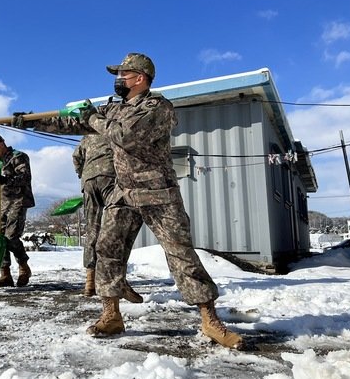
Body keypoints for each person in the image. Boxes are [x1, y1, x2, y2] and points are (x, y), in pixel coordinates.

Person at [13, 53, 243, 349]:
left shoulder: (157, 107)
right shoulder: (115, 108)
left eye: (123, 73)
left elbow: (126, 136)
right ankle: (111, 315)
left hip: (157, 191)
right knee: (107, 249)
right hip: (124, 192)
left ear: (140, 78)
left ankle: (210, 321)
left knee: (180, 254)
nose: (117, 79)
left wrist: (92, 118)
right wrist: (32, 122)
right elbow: (73, 124)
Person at [72, 134, 142, 303]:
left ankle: (90, 281)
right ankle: (118, 280)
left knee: (92, 229)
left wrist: (83, 173)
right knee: (115, 228)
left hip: (88, 181)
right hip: (110, 176)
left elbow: (76, 158)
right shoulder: (112, 128)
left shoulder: (87, 136)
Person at [0, 133, 35, 288]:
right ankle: (5, 274)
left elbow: (25, 177)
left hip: (19, 200)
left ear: (1, 144)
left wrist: (7, 180)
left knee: (11, 237)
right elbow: (2, 180)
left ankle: (24, 267)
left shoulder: (18, 156)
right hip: (4, 202)